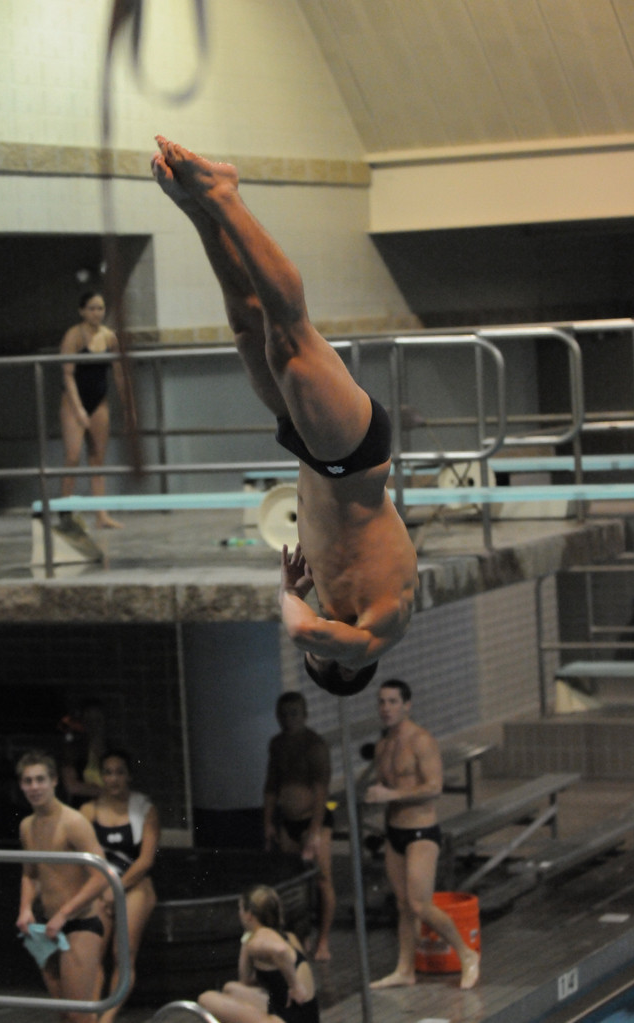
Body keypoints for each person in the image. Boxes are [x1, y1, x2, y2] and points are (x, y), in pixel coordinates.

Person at [151, 136, 419, 697]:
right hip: (353, 455)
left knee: (250, 328)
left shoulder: (332, 596)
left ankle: (197, 210)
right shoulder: (378, 632)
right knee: (289, 339)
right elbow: (300, 631)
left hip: (313, 451)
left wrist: (299, 588)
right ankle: (223, 194)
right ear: (345, 666)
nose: (319, 630)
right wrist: (287, 595)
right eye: (326, 656)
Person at [364, 680, 480, 990]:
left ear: (407, 705)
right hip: (394, 832)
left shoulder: (422, 740)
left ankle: (467, 954)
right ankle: (406, 969)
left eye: (392, 701)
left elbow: (433, 787)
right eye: (381, 702)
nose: (386, 708)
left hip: (421, 831)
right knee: (403, 905)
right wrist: (379, 798)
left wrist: (389, 796)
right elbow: (387, 790)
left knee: (419, 905)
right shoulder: (383, 746)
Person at [15, 750, 109, 1023]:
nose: (34, 787)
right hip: (47, 924)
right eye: (28, 781)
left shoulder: (73, 822)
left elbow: (101, 875)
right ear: (21, 785)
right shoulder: (27, 826)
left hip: (79, 922)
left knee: (79, 1015)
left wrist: (65, 913)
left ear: (54, 781)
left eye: (40, 780)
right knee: (63, 1014)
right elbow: (29, 873)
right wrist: (25, 909)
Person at [80, 749, 159, 1023]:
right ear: (101, 777)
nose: (114, 779)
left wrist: (117, 889)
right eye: (108, 772)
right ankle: (91, 1016)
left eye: (119, 772)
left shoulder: (145, 810)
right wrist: (101, 889)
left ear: (129, 776)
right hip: (101, 887)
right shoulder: (88, 812)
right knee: (93, 953)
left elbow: (145, 861)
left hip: (133, 885)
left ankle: (107, 1019)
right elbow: (82, 859)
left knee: (121, 953)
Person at [263, 692, 335, 961]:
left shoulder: (314, 745)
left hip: (313, 819)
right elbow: (271, 786)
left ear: (304, 715)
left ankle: (324, 940)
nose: (288, 719)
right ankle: (301, 936)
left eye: (294, 713)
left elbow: (321, 791)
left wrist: (315, 831)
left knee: (322, 879)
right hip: (287, 821)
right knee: (294, 883)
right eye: (283, 714)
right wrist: (268, 822)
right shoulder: (277, 744)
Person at [59, 290, 130, 530]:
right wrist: (78, 409)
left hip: (99, 401)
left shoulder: (110, 337)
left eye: (100, 308)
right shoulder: (74, 335)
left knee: (97, 459)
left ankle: (102, 515)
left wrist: (127, 406)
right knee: (72, 456)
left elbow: (119, 374)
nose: (96, 313)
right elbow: (67, 374)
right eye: (91, 308)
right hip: (73, 401)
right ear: (82, 311)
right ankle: (64, 513)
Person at [198, 884, 319, 1023]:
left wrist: (295, 986)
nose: (239, 913)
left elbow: (280, 950)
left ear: (249, 915)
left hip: (288, 1018)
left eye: (240, 908)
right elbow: (245, 981)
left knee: (205, 999)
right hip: (303, 1014)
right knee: (230, 989)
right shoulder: (287, 936)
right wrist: (246, 939)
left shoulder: (258, 941)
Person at [59, 700, 107, 809]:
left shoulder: (111, 750)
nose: (94, 724)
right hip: (83, 809)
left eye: (97, 719)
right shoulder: (73, 750)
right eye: (89, 720)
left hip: (111, 810)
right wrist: (107, 792)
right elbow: (71, 786)